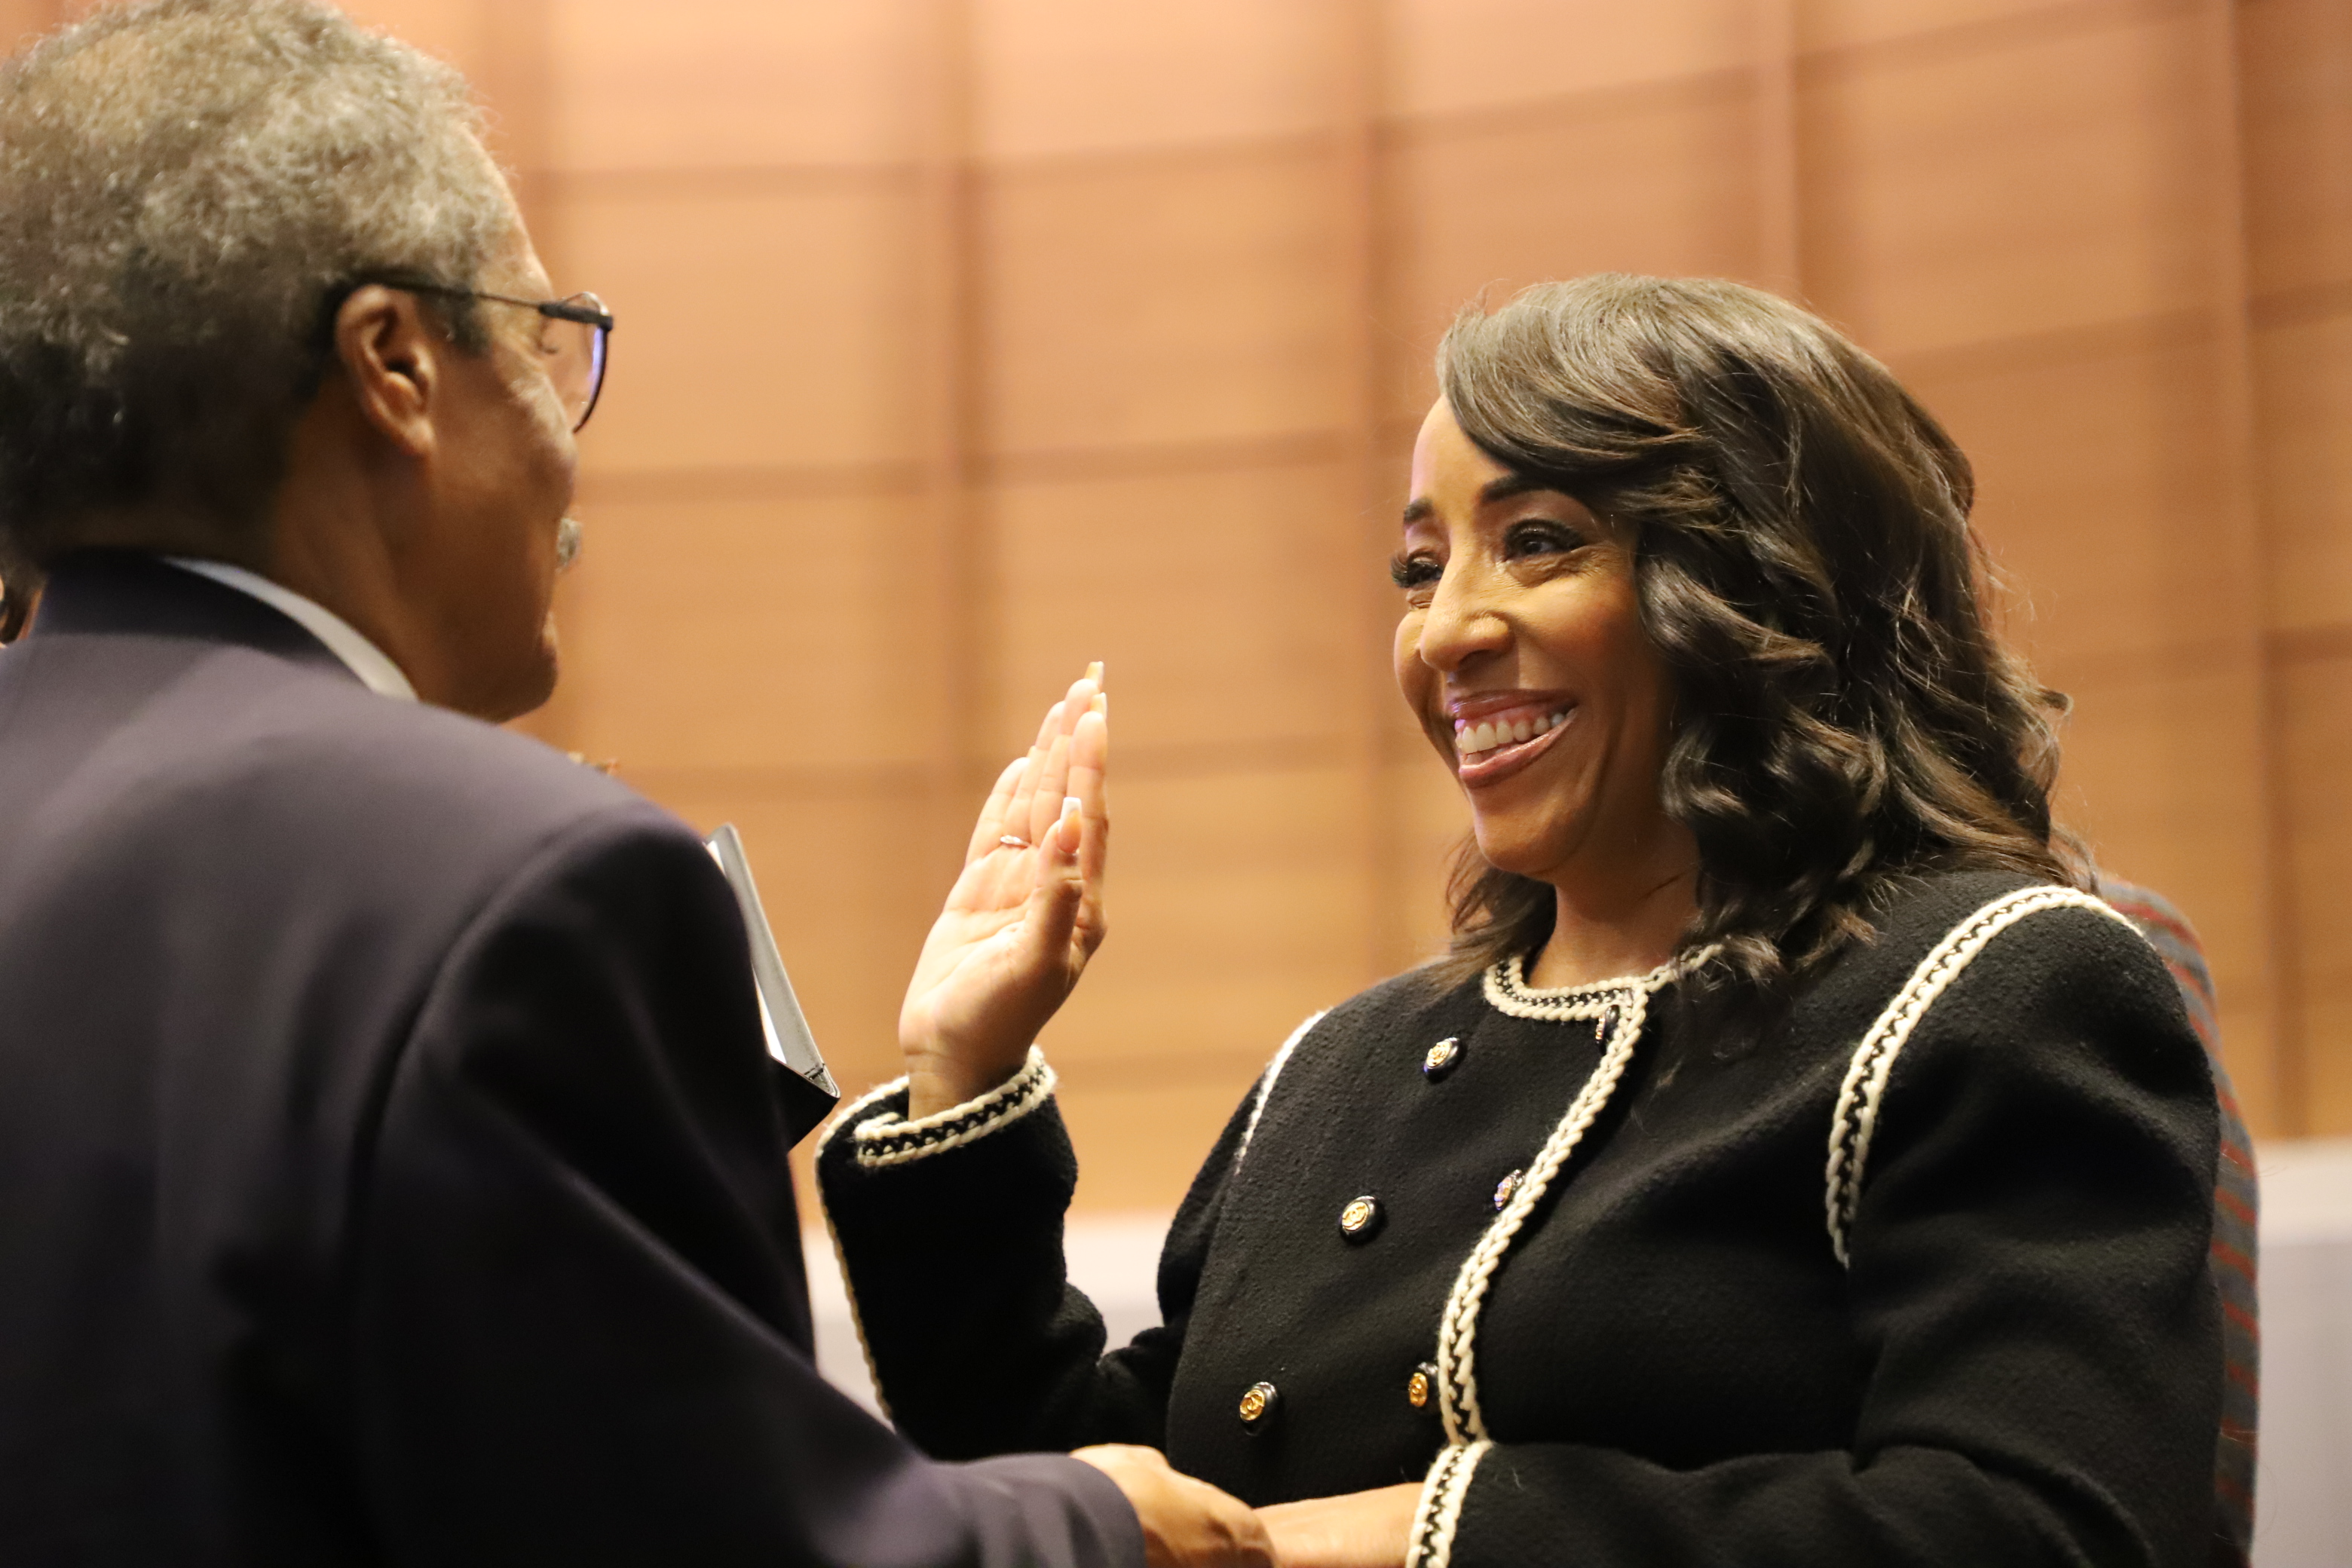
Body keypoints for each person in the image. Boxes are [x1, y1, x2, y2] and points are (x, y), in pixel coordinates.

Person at [0, 4, 1272, 1564]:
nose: (565, 438)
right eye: (544, 342)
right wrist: (1094, 1516)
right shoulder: (514, 884)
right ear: (396, 362)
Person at [818, 276, 2229, 1567]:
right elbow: (1112, 1504)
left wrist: (1427, 1533)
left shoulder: (1999, 986)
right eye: (1423, 568)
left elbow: (2042, 1532)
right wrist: (965, 1075)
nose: (1444, 635)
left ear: (1762, 584)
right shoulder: (1341, 1068)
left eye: (1538, 544)